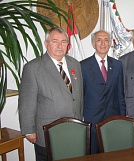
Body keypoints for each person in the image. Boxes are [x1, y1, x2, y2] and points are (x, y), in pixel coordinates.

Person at [19, 27, 83, 161]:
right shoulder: (33, 68)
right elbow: (27, 102)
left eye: (63, 41)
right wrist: (29, 130)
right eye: (55, 41)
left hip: (74, 130)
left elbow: (78, 96)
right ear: (46, 43)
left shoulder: (75, 64)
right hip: (48, 132)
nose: (60, 46)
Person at [81, 30, 126, 154]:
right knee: (94, 154)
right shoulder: (83, 66)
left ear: (110, 43)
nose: (103, 43)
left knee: (113, 153)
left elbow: (120, 94)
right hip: (92, 118)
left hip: (113, 118)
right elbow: (81, 96)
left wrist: (122, 117)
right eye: (99, 40)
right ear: (93, 44)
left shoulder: (117, 65)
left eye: (106, 40)